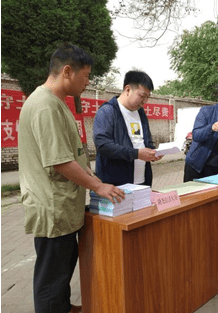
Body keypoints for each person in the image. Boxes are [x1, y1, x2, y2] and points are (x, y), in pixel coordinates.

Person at [18, 43, 126, 313]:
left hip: (64, 205)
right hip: (52, 207)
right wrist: (98, 186)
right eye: (86, 75)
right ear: (67, 71)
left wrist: (91, 174)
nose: (88, 82)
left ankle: (63, 307)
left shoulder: (56, 103)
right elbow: (59, 161)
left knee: (61, 272)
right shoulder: (45, 105)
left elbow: (72, 154)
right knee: (51, 278)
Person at [93, 70, 162, 186]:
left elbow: (146, 142)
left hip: (142, 182)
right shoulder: (107, 111)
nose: (145, 101)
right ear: (128, 90)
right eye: (142, 96)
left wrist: (153, 152)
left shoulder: (140, 113)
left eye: (147, 97)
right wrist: (136, 153)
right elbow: (103, 145)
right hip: (116, 185)